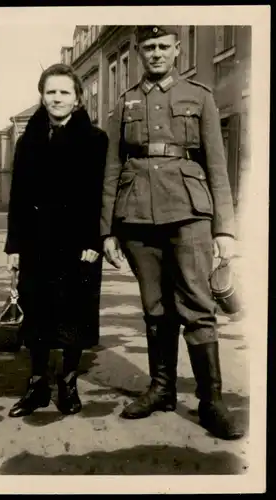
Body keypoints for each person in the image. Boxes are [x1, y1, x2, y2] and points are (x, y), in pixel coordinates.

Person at [101, 25, 244, 440]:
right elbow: (112, 168)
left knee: (198, 306)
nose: (157, 53)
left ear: (177, 49)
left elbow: (217, 167)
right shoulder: (125, 102)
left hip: (189, 213)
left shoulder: (200, 97)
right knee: (155, 307)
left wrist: (225, 230)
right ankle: (161, 388)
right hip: (137, 217)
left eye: (164, 46)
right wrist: (108, 231)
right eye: (149, 47)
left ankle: (211, 401)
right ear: (140, 53)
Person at [4, 63, 109, 418]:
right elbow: (18, 196)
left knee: (73, 313)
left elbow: (99, 196)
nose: (57, 98)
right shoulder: (27, 140)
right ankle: (37, 386)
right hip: (36, 243)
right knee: (36, 311)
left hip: (78, 244)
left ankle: (68, 382)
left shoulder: (95, 140)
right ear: (42, 96)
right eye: (51, 92)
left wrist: (95, 241)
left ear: (78, 98)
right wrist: (13, 247)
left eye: (65, 92)